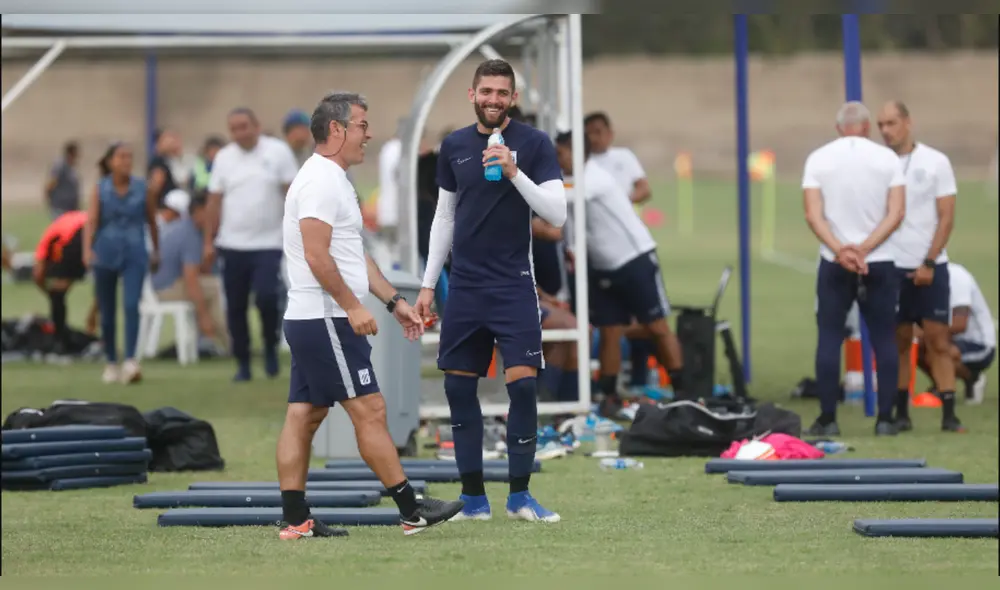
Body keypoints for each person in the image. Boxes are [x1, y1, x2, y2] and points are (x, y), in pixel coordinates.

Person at [277, 91, 463, 539]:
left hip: (315, 318)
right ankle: (411, 510)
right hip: (325, 319)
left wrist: (394, 303)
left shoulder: (336, 180)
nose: (369, 134)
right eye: (362, 125)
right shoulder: (319, 181)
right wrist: (352, 306)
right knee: (371, 409)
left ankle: (296, 520)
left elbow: (352, 255)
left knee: (304, 415)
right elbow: (317, 256)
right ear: (336, 129)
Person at [415, 58, 567, 523]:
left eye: (502, 93)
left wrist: (515, 172)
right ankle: (474, 501)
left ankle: (520, 496)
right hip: (464, 287)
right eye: (486, 92)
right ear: (472, 94)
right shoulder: (454, 146)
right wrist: (427, 285)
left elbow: (557, 214)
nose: (494, 100)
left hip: (514, 286)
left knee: (523, 388)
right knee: (458, 390)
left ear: (513, 98)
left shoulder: (535, 144)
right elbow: (445, 217)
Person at [554, 130, 684, 417]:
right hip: (602, 267)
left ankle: (684, 392)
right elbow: (569, 218)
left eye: (560, 153)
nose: (556, 159)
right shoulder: (569, 180)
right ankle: (609, 396)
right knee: (610, 331)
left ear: (577, 153)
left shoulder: (594, 177)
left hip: (634, 259)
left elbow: (563, 198)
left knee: (657, 326)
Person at [801, 101, 906, 437]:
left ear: (838, 129)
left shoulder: (818, 158)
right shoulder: (887, 159)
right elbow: (896, 213)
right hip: (879, 259)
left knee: (830, 337)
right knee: (884, 338)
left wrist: (841, 249)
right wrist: (865, 248)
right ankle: (886, 419)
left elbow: (813, 214)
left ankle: (828, 418)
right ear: (867, 128)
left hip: (835, 261)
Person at [876, 101, 963, 433]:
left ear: (908, 122)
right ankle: (901, 412)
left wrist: (929, 261)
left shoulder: (935, 161)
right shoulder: (877, 163)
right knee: (899, 341)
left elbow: (946, 217)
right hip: (890, 267)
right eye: (881, 125)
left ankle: (949, 413)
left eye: (891, 123)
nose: (886, 131)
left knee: (938, 340)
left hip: (930, 264)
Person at [205, 107, 299, 382]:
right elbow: (214, 201)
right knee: (235, 305)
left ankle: (270, 347)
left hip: (269, 242)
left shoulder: (278, 152)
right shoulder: (224, 158)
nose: (240, 133)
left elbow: (292, 194)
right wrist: (208, 241)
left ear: (256, 126)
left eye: (244, 126)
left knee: (267, 297)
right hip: (232, 243)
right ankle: (243, 362)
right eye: (234, 129)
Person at [584, 111, 656, 392]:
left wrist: (620, 202)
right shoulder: (583, 165)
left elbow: (644, 188)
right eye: (589, 132)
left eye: (599, 131)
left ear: (610, 134)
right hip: (599, 254)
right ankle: (609, 387)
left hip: (629, 248)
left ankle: (642, 376)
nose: (594, 137)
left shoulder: (622, 158)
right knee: (610, 325)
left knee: (646, 320)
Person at [83, 142, 160, 384]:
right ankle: (110, 361)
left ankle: (130, 359)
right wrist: (87, 250)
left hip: (135, 251)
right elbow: (92, 221)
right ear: (110, 161)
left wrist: (156, 250)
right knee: (107, 310)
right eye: (121, 157)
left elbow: (152, 220)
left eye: (129, 156)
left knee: (131, 304)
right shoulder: (100, 188)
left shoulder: (142, 188)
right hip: (105, 251)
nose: (126, 161)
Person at [150, 189, 228, 354]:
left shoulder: (184, 227)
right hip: (167, 287)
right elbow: (191, 279)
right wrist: (204, 317)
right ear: (198, 211)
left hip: (158, 285)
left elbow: (201, 271)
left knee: (209, 287)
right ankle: (227, 341)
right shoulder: (190, 233)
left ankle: (212, 341)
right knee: (214, 288)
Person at [913, 262, 995, 406]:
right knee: (913, 344)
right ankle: (939, 384)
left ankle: (972, 378)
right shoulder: (915, 278)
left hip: (978, 344)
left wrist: (925, 334)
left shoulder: (956, 277)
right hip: (946, 339)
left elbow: (960, 325)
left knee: (936, 348)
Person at [33, 210, 98, 349]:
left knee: (58, 292)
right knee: (106, 280)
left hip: (77, 233)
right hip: (95, 226)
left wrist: (48, 293)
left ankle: (60, 340)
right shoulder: (56, 234)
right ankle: (92, 321)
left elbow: (37, 275)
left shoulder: (46, 245)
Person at [45, 141, 81, 220]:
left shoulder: (71, 168)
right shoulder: (60, 166)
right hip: (60, 208)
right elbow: (51, 184)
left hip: (70, 209)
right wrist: (50, 202)